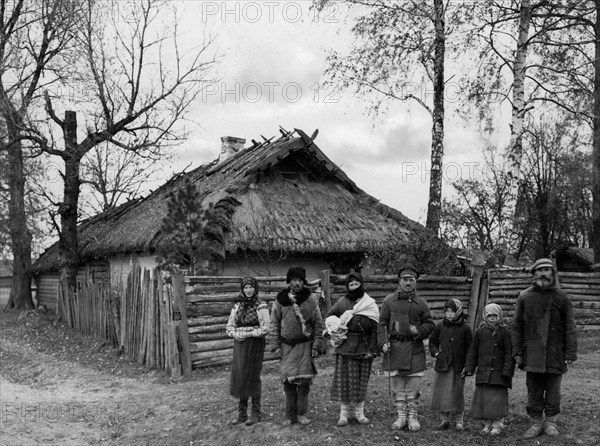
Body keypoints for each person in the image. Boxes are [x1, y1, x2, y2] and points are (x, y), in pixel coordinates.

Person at [512, 258, 578, 439]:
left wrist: (570, 352)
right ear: (534, 274)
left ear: (553, 274)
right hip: (532, 353)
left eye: (547, 270)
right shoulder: (524, 297)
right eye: (540, 270)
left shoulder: (562, 298)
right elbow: (517, 326)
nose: (543, 273)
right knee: (533, 389)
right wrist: (517, 351)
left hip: (555, 353)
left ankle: (550, 422)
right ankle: (535, 422)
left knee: (553, 389)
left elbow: (570, 327)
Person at [377, 265, 434, 431]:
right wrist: (383, 342)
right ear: (399, 281)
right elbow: (381, 324)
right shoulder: (389, 301)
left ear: (415, 282)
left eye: (411, 280)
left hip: (414, 348)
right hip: (394, 348)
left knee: (414, 386)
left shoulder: (421, 303)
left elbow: (430, 324)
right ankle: (401, 417)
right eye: (405, 280)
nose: (408, 283)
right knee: (398, 386)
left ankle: (413, 418)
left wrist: (419, 331)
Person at [269, 266, 325, 426]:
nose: (297, 283)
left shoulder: (310, 301)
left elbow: (318, 325)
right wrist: (275, 345)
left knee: (304, 383)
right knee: (288, 382)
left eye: (300, 280)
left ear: (303, 282)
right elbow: (274, 323)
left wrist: (317, 346)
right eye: (294, 280)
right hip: (286, 347)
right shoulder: (280, 301)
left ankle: (301, 414)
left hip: (305, 347)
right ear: (289, 281)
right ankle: (290, 415)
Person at [325, 272, 380, 426]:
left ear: (361, 285)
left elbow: (376, 328)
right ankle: (343, 415)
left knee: (361, 382)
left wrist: (372, 349)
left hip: (364, 349)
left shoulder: (369, 303)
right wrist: (337, 326)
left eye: (356, 284)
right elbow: (329, 316)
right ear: (347, 287)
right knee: (345, 382)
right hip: (345, 348)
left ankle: (359, 413)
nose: (354, 287)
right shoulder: (342, 302)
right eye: (351, 285)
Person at [462, 303, 515, 436]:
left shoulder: (505, 332)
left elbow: (510, 353)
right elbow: (472, 352)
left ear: (499, 316)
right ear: (485, 316)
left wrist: (507, 371)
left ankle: (498, 423)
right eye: (489, 316)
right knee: (485, 398)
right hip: (484, 372)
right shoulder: (480, 333)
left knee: (497, 399)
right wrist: (469, 368)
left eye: (495, 316)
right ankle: (487, 423)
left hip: (499, 373)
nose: (492, 319)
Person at [225, 277, 270, 425]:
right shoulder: (237, 305)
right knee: (241, 375)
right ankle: (242, 413)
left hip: (255, 344)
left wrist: (247, 333)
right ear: (242, 289)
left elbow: (265, 328)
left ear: (255, 288)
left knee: (253, 376)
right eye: (246, 288)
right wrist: (235, 334)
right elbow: (230, 326)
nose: (248, 290)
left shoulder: (261, 305)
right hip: (239, 344)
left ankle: (256, 413)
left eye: (251, 287)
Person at [429, 298, 472, 431]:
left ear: (458, 312)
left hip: (459, 367)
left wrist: (468, 366)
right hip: (443, 365)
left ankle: (459, 420)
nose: (449, 314)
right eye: (447, 311)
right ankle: (444, 419)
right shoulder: (440, 326)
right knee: (443, 392)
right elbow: (432, 342)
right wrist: (436, 353)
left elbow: (471, 349)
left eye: (452, 312)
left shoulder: (465, 328)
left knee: (457, 392)